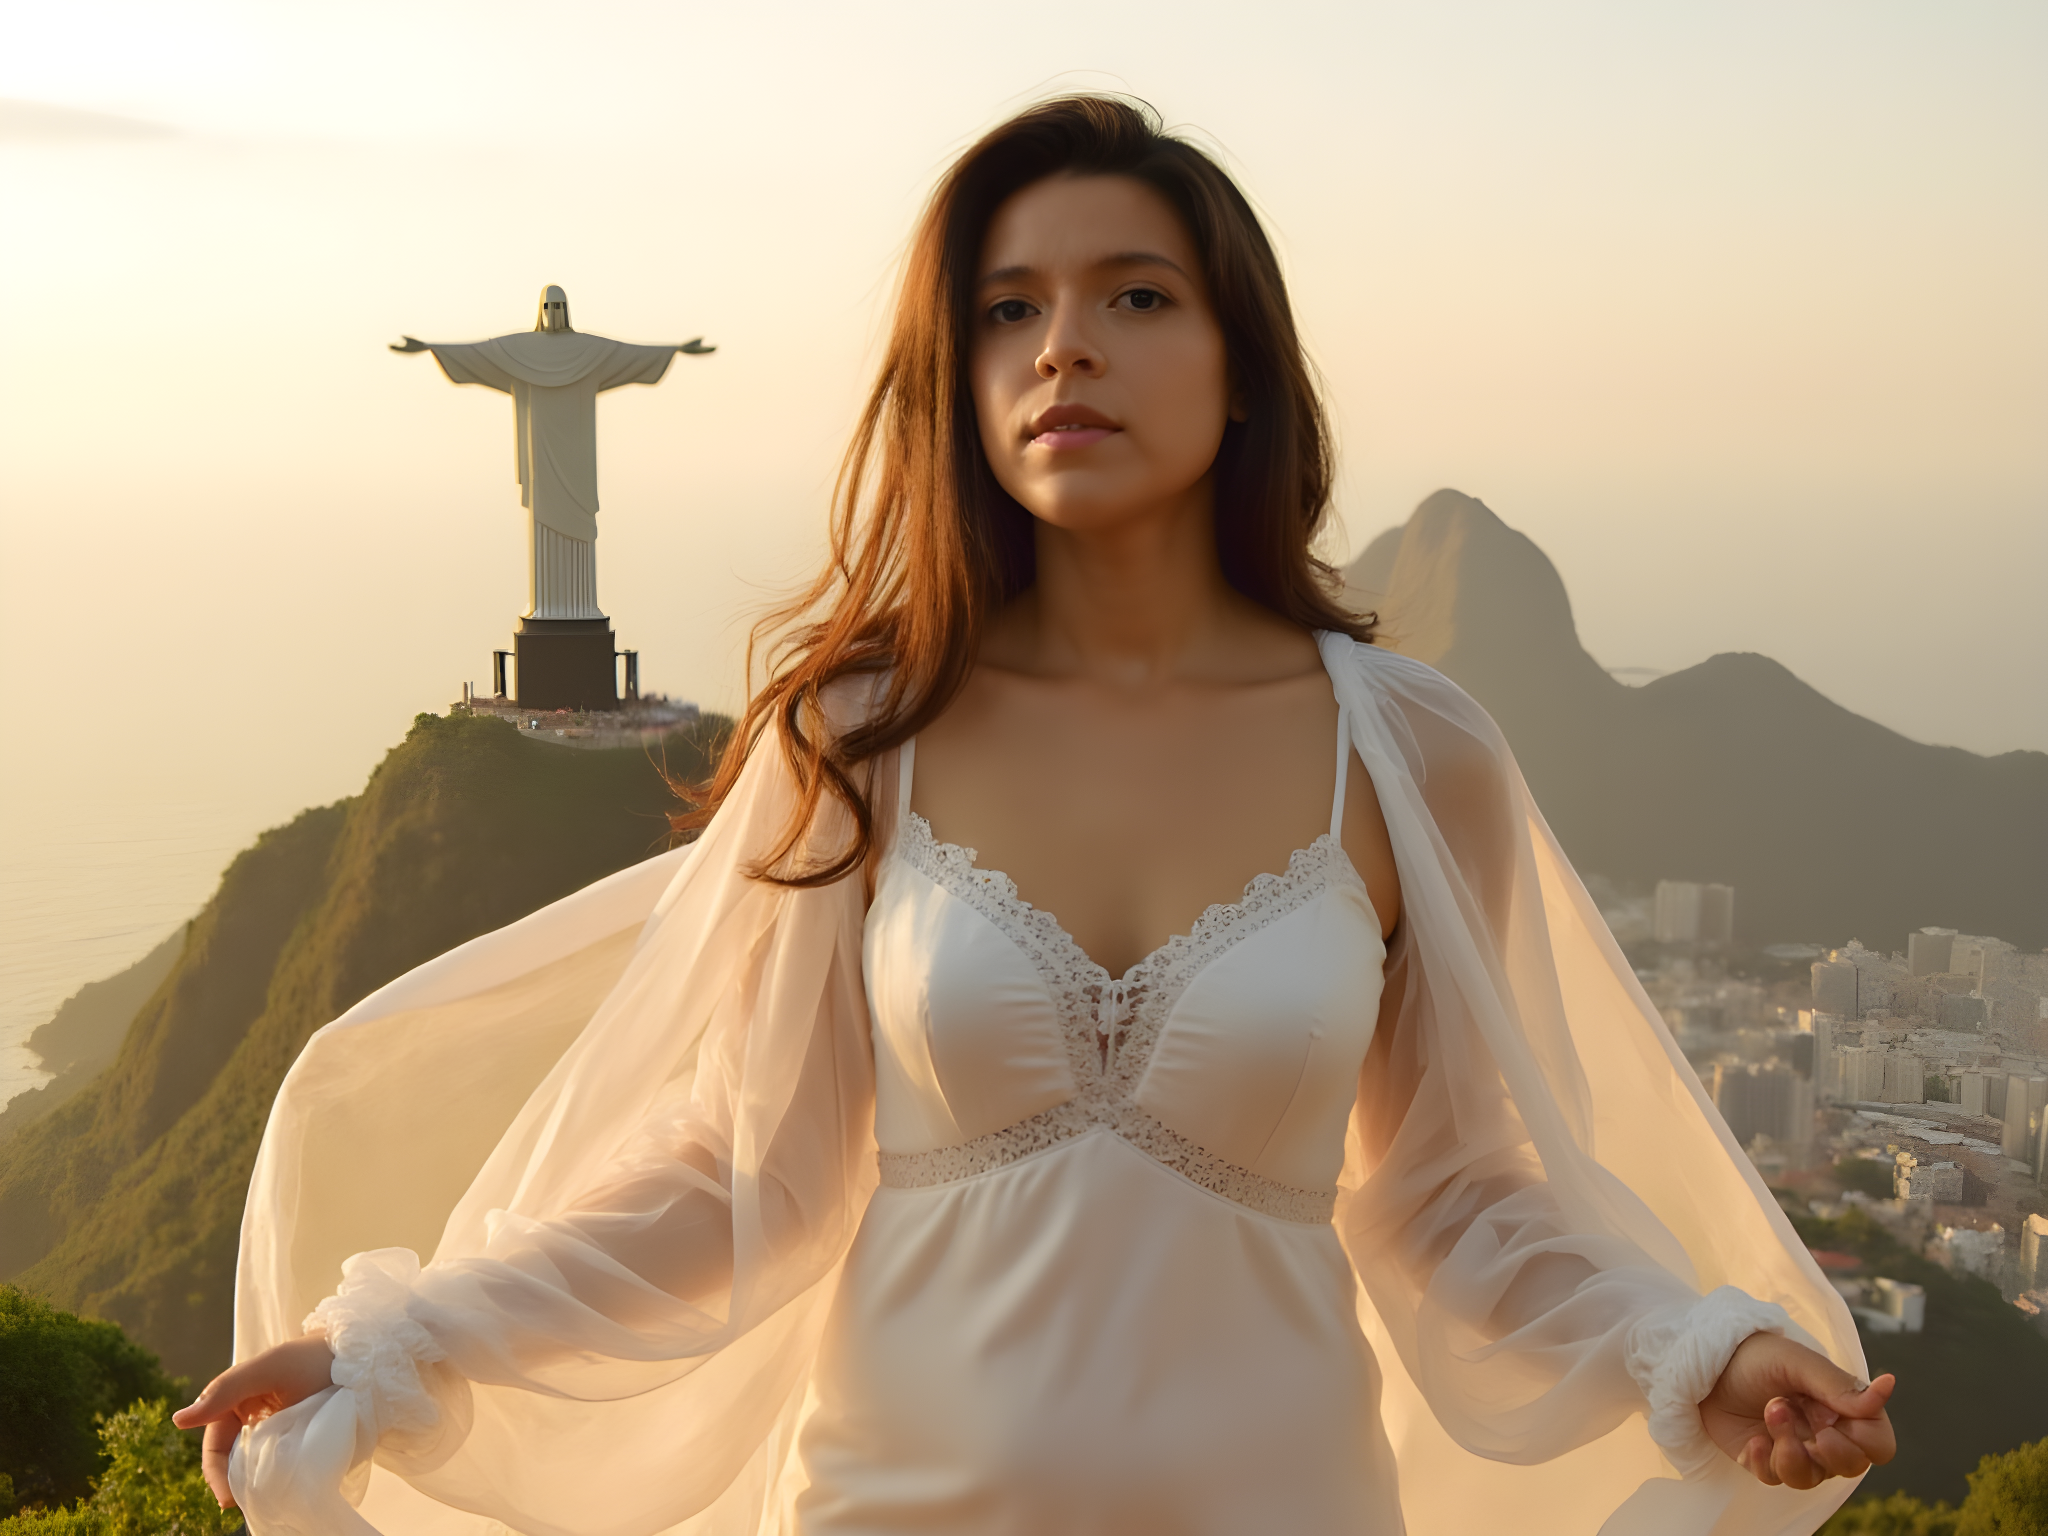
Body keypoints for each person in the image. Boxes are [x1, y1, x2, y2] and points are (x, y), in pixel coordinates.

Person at [177, 96, 1894, 1535]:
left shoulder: (1414, 753)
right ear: (961, 378)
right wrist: (402, 1342)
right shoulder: (862, 737)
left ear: (1242, 367)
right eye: (1008, 308)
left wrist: (1701, 1347)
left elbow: (1459, 1203)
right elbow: (734, 1178)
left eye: (1136, 297)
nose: (1065, 342)